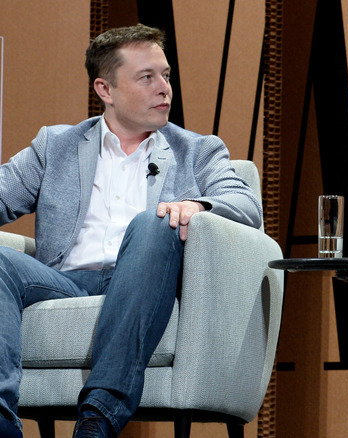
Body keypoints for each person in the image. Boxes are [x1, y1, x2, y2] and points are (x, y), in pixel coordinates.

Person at [0, 24, 262, 438]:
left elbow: (247, 205)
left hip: (145, 279)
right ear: (106, 89)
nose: (164, 89)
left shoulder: (195, 150)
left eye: (167, 75)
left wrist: (196, 206)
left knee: (156, 220)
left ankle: (98, 417)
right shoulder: (56, 146)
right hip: (64, 281)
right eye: (147, 77)